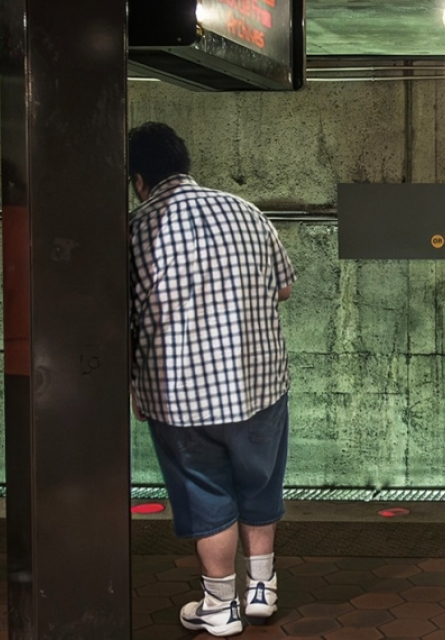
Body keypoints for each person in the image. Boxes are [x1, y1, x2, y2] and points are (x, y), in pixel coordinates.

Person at [128, 122, 297, 636]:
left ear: (138, 179)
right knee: (259, 482)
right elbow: (284, 288)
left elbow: (119, 315)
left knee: (207, 493)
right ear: (185, 163)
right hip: (258, 384)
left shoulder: (135, 231)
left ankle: (220, 607)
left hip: (179, 397)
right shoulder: (247, 213)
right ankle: (262, 590)